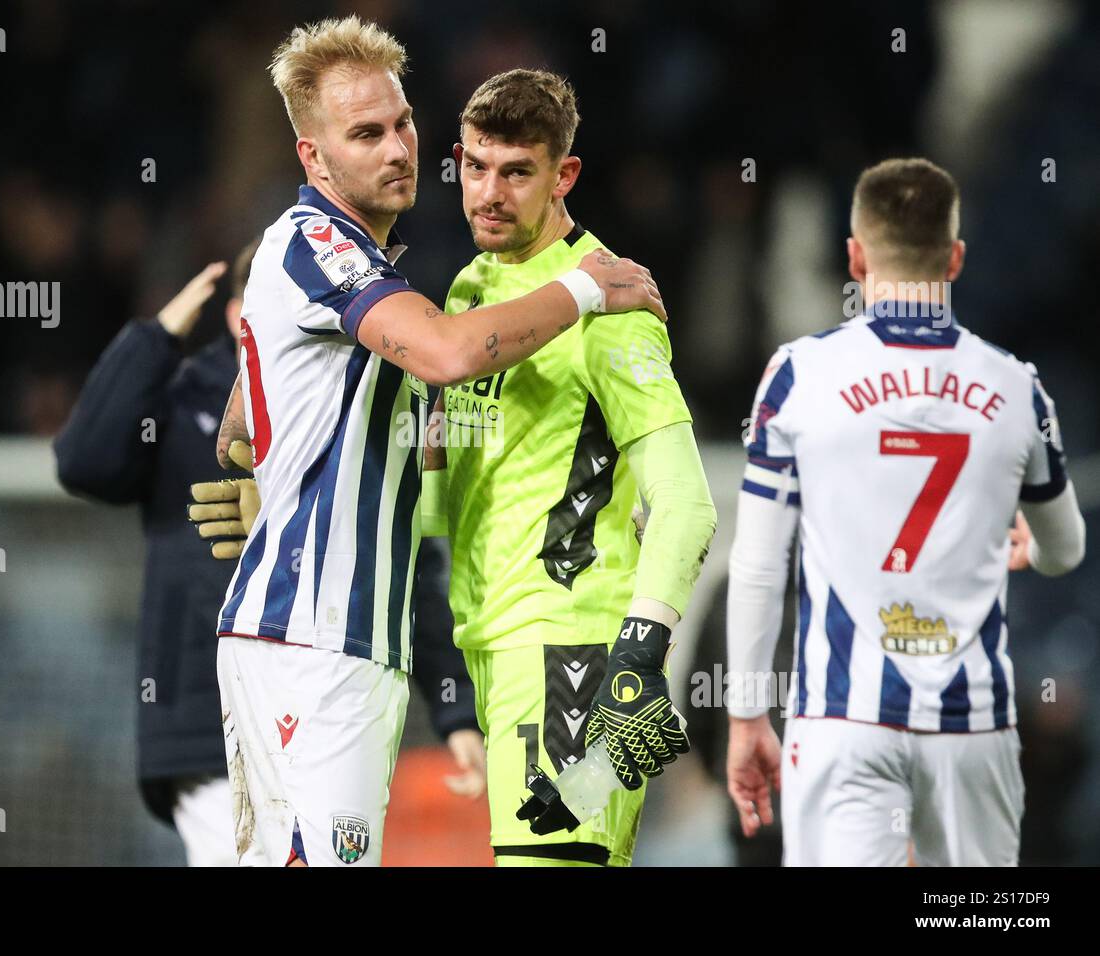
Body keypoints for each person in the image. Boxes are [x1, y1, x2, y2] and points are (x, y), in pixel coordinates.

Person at [213, 16, 667, 867]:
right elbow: (452, 355)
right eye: (365, 134)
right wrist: (583, 288)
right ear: (314, 160)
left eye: (403, 123)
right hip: (314, 641)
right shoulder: (315, 242)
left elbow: (251, 419)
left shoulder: (374, 272)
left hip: (352, 645)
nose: (399, 148)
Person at [725, 157, 1086, 866]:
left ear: (855, 257)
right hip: (972, 727)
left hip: (842, 717)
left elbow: (759, 564)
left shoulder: (800, 375)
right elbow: (1067, 548)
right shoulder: (1018, 388)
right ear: (954, 259)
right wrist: (1032, 550)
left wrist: (744, 716)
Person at [419, 69, 716, 867]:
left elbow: (687, 504)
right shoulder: (470, 291)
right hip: (492, 645)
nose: (490, 192)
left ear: (564, 175)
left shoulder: (610, 307)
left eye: (517, 172)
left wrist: (637, 653)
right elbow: (449, 499)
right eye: (476, 167)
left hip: (571, 657)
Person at [54, 252, 251, 865]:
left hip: (323, 695)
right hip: (203, 710)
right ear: (236, 312)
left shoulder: (352, 393)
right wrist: (157, 335)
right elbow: (85, 462)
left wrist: (453, 709)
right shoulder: (182, 391)